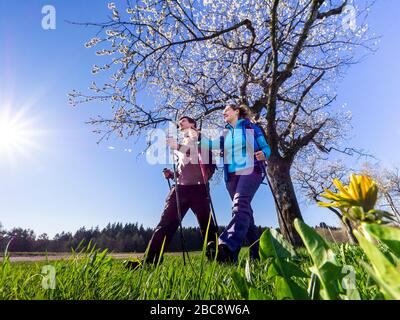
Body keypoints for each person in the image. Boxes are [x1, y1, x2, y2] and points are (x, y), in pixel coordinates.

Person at [125, 116, 218, 270]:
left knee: (206, 224)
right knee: (165, 223)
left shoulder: (200, 137)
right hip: (180, 188)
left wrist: (178, 147)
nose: (180, 123)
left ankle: (216, 258)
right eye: (179, 122)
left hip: (198, 188)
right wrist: (172, 174)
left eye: (184, 121)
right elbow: (184, 168)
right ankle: (149, 261)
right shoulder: (182, 144)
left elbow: (197, 154)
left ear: (193, 124)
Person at [201, 104, 271, 263]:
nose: (223, 113)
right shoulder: (225, 133)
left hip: (251, 168)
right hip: (231, 176)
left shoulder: (250, 127)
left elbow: (266, 147)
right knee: (245, 213)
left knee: (240, 205)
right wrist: (197, 139)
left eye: (226, 110)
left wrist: (264, 154)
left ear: (237, 111)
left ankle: (227, 247)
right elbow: (211, 145)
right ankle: (258, 254)